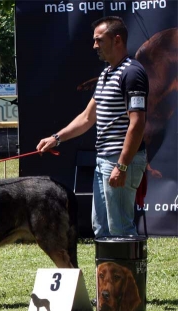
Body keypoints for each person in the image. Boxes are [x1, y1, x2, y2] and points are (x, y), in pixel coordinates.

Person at [37, 16, 148, 238]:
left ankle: (128, 274)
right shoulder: (107, 74)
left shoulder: (132, 72)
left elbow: (137, 123)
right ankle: (106, 274)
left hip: (120, 161)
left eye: (99, 40)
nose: (94, 45)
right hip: (104, 161)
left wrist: (122, 166)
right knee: (102, 229)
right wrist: (56, 138)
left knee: (120, 230)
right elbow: (87, 117)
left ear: (117, 40)